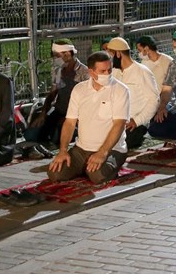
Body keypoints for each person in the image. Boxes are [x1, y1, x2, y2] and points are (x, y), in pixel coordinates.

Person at [48, 51, 131, 184]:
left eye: (109, 70)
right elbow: (70, 123)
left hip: (112, 150)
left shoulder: (121, 90)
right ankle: (84, 167)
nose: (107, 74)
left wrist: (102, 152)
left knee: (97, 176)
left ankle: (99, 167)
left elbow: (119, 124)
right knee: (55, 173)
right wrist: (63, 150)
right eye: (102, 71)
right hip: (81, 149)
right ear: (91, 72)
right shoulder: (79, 90)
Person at [25, 38, 88, 146]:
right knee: (31, 135)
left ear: (67, 54)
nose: (54, 59)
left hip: (76, 116)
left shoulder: (84, 73)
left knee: (58, 137)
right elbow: (53, 93)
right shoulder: (58, 70)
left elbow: (87, 102)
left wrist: (69, 119)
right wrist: (43, 114)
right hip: (59, 111)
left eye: (56, 56)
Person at [105, 36, 159, 149]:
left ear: (118, 54)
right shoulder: (113, 73)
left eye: (110, 54)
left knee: (118, 143)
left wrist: (136, 121)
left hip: (135, 124)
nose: (108, 58)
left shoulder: (142, 72)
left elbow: (154, 100)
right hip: (115, 122)